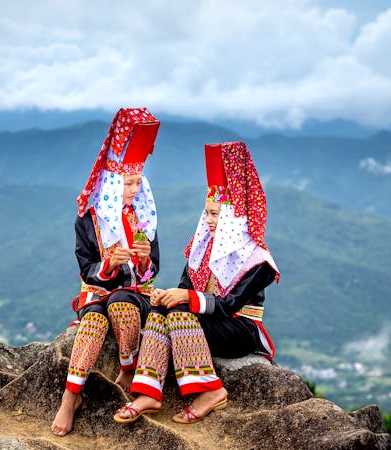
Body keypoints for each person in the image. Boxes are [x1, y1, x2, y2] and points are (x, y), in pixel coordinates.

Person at [114, 141, 280, 424]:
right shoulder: (202, 248)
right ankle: (148, 391)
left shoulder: (259, 261)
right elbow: (186, 289)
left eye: (216, 213)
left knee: (179, 311)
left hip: (241, 328)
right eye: (207, 213)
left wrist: (185, 298)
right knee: (161, 311)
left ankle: (211, 390)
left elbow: (228, 305)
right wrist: (166, 296)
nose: (209, 220)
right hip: (205, 320)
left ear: (233, 216)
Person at [52, 108, 161, 436]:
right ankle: (71, 397)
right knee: (96, 318)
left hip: (134, 296)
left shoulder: (141, 215)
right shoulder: (88, 218)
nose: (133, 189)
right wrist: (110, 264)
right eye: (127, 182)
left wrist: (143, 260)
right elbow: (86, 268)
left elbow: (153, 268)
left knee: (122, 302)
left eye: (138, 181)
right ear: (111, 183)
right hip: (98, 293)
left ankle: (128, 367)